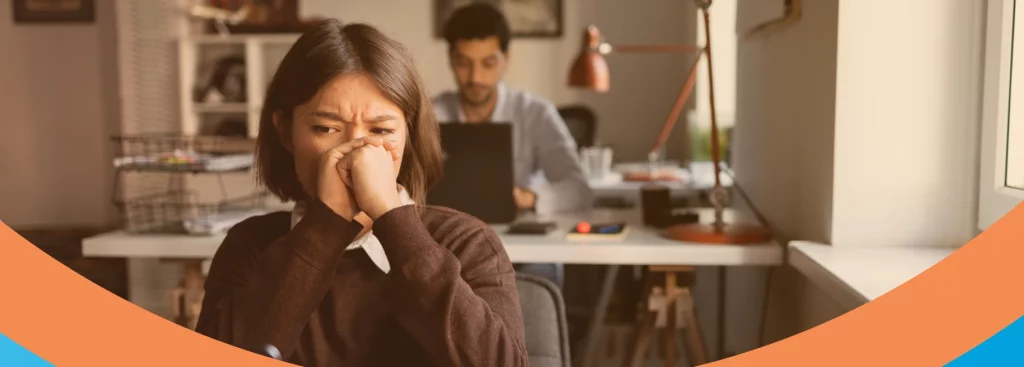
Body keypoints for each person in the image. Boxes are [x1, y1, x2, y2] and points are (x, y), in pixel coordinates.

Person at [195, 20, 528, 366]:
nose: (356, 152)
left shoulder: (468, 242)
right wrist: (325, 225)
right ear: (285, 133)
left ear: (409, 136)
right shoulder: (250, 245)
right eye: (325, 128)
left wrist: (393, 219)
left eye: (381, 130)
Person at [434, 3, 593, 287]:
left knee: (540, 274)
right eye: (463, 63)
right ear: (448, 59)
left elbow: (578, 188)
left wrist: (528, 198)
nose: (476, 77)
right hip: (447, 243)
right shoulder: (429, 115)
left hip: (519, 246)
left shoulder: (535, 113)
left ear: (507, 58)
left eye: (489, 63)